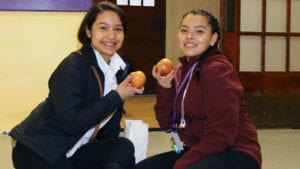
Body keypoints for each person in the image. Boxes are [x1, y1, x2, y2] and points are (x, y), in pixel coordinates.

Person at [9, 2, 144, 169]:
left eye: (118, 29)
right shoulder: (73, 66)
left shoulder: (118, 71)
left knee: (121, 146)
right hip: (39, 150)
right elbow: (71, 124)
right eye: (103, 28)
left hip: (75, 149)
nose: (112, 35)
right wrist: (116, 96)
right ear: (88, 31)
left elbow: (108, 132)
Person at [134, 9, 262, 169]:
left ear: (213, 38)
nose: (189, 36)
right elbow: (167, 125)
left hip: (235, 151)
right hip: (199, 149)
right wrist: (165, 88)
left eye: (199, 31)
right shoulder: (182, 70)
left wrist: (183, 164)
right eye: (184, 30)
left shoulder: (217, 70)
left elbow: (221, 134)